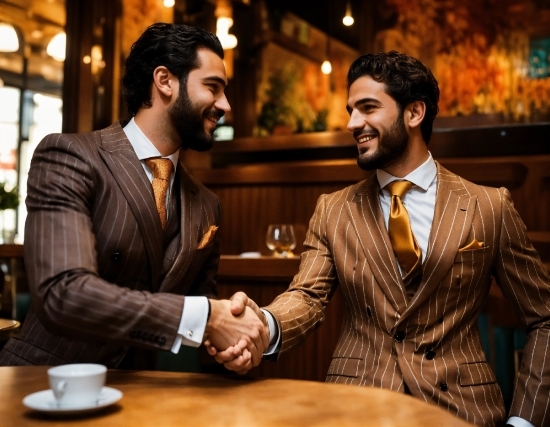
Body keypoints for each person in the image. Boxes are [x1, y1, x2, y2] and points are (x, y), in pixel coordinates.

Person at [212, 52, 550, 427]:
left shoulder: (490, 206)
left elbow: (545, 319)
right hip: (357, 405)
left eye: (368, 108)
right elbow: (306, 297)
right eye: (351, 110)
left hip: (462, 410)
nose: (353, 123)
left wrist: (524, 422)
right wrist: (264, 326)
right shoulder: (333, 209)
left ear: (414, 113)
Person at [0, 23, 267, 370]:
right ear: (165, 80)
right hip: (44, 388)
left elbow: (200, 316)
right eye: (213, 87)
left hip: (139, 399)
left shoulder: (207, 205)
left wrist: (233, 344)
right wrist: (206, 318)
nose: (225, 105)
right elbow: (63, 293)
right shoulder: (70, 155)